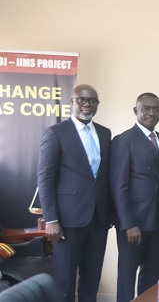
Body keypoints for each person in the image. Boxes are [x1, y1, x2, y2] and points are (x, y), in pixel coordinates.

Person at [37, 84, 112, 302]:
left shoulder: (105, 133)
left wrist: (110, 214)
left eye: (92, 101)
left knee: (92, 277)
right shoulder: (55, 133)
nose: (87, 104)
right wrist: (51, 219)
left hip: (98, 218)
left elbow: (105, 177)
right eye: (82, 99)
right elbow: (45, 178)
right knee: (65, 280)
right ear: (72, 102)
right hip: (67, 220)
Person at [110, 93, 159, 302]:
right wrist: (127, 223)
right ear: (136, 111)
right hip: (134, 222)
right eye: (146, 108)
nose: (151, 113)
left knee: (152, 275)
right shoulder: (123, 140)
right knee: (127, 274)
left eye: (155, 109)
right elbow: (119, 185)